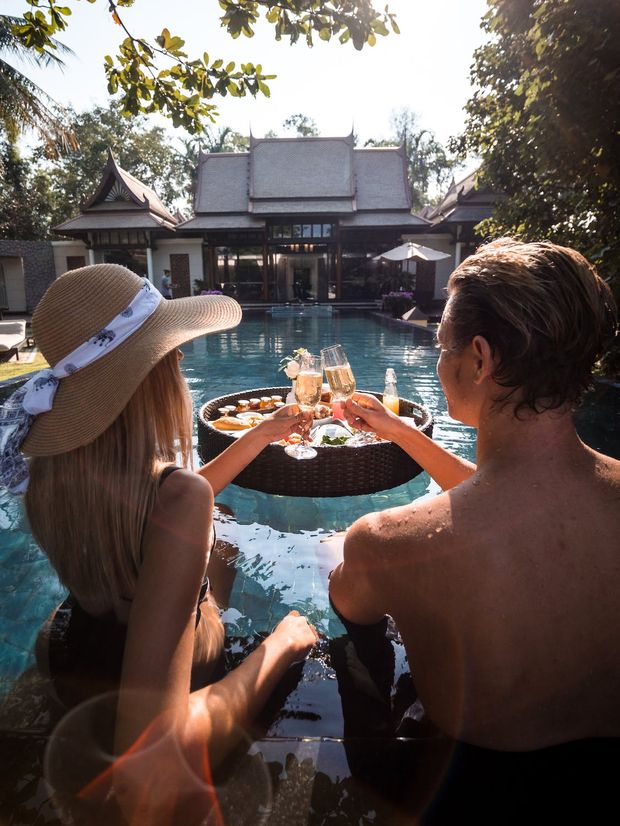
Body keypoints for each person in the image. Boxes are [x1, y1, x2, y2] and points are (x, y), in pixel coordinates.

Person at [0, 264, 317, 816]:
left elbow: (158, 502)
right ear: (151, 374)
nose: (181, 361)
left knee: (218, 534)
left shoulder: (45, 472)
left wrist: (262, 434)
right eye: (170, 353)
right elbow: (151, 756)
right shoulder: (179, 499)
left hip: (74, 645)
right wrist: (281, 646)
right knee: (225, 545)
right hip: (175, 672)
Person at [329, 238, 619, 752]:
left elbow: (351, 603)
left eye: (443, 347)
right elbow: (515, 501)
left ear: (481, 358)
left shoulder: (389, 543)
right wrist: (401, 432)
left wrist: (348, 558)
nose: (440, 362)